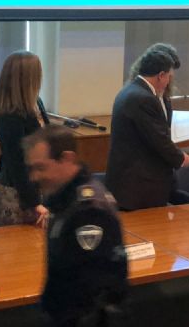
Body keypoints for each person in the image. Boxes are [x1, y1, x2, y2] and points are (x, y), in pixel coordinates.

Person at [24, 125, 128, 326]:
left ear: (67, 159)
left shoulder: (88, 212)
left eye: (41, 167)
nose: (33, 177)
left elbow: (93, 297)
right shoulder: (64, 200)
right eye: (32, 168)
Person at [106, 43, 189, 210]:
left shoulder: (132, 91)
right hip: (137, 186)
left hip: (139, 182)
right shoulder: (142, 98)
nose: (170, 81)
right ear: (161, 75)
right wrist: (181, 158)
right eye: (169, 76)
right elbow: (158, 139)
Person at [0, 50, 50, 227]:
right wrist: (34, 203)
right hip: (18, 195)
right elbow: (17, 166)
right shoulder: (10, 118)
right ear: (27, 79)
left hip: (35, 187)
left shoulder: (36, 103)